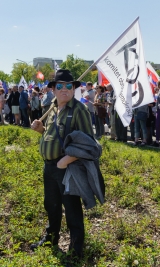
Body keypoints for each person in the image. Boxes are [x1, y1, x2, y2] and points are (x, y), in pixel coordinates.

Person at [30, 69, 94, 262]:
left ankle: (76, 250)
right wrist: (41, 131)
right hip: (49, 167)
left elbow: (89, 144)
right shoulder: (52, 107)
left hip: (67, 168)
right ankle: (51, 238)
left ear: (74, 89)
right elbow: (53, 136)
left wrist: (66, 160)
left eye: (69, 86)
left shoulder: (79, 110)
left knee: (72, 208)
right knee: (51, 205)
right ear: (53, 89)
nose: (64, 89)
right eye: (60, 86)